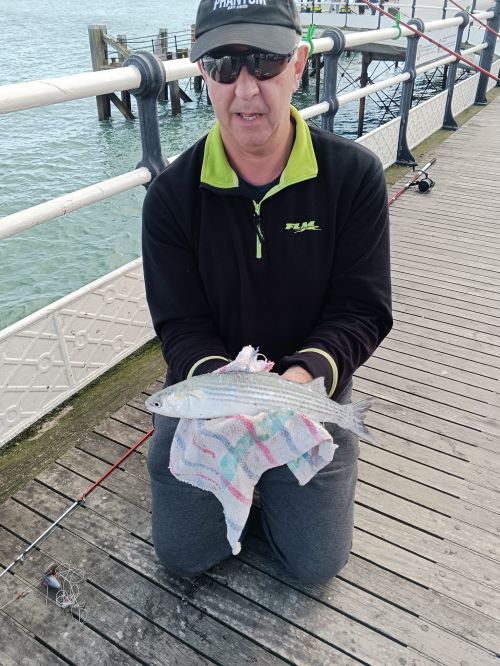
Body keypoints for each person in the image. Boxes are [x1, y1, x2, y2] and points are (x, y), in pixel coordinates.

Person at [142, 0, 392, 584]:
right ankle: (245, 485)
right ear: (202, 73)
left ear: (299, 65)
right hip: (211, 386)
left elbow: (362, 309)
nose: (246, 90)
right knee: (183, 554)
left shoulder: (354, 177)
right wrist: (225, 387)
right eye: (225, 67)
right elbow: (179, 324)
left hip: (308, 384)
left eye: (265, 61)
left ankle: (269, 488)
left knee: (315, 565)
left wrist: (301, 379)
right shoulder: (172, 198)